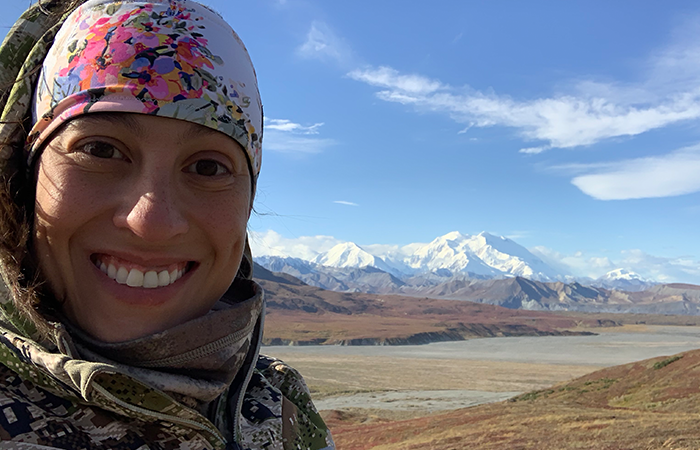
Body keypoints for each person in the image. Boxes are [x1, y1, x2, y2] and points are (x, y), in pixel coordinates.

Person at [0, 0, 335, 448]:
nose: (152, 222)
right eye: (100, 150)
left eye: (208, 168)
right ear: (21, 179)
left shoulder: (282, 408)